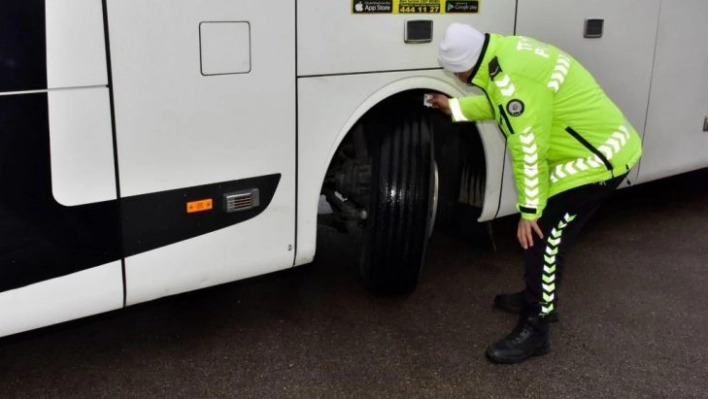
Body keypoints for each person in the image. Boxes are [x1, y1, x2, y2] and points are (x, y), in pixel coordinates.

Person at [428, 23, 642, 364]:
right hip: (589, 151)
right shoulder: (503, 53)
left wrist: (529, 212)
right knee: (543, 233)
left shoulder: (511, 82)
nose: (457, 77)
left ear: (466, 67)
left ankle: (537, 327)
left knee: (543, 238)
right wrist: (457, 108)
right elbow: (504, 105)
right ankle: (536, 294)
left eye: (455, 72)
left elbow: (528, 148)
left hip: (600, 159)